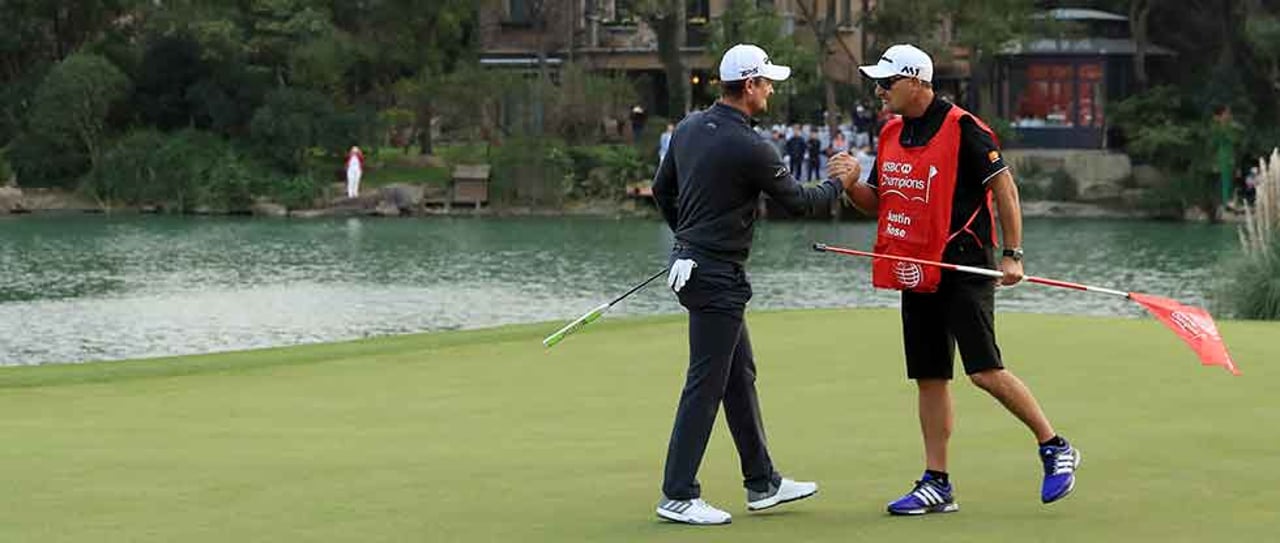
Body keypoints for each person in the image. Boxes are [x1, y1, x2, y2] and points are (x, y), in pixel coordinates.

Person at [845, 44, 1080, 516]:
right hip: (916, 268)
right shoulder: (891, 132)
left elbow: (1005, 189)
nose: (880, 91)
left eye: (887, 82)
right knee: (930, 376)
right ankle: (937, 482)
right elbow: (879, 202)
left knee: (984, 371)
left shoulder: (965, 128)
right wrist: (851, 184)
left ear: (916, 81)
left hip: (964, 264)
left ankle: (1055, 446)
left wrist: (1012, 254)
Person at [650, 43, 860, 526]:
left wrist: (687, 238)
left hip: (695, 267)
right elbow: (800, 203)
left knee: (737, 375)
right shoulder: (750, 145)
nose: (770, 91)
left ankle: (762, 481)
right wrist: (842, 183)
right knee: (706, 383)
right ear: (748, 86)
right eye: (766, 83)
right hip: (715, 276)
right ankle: (678, 493)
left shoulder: (688, 127)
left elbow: (662, 191)